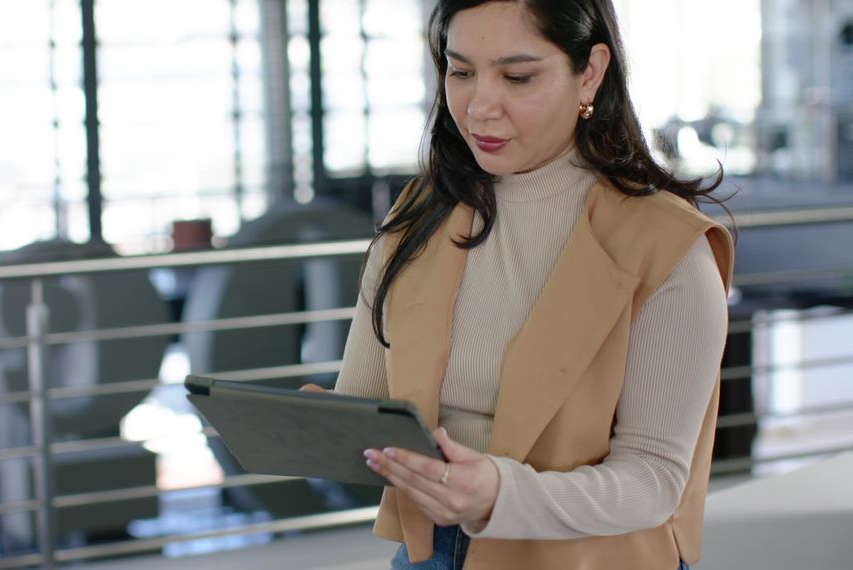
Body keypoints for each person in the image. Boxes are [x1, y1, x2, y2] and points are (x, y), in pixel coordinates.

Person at [303, 1, 734, 569]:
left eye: (517, 76)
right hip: (431, 550)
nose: (478, 106)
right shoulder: (420, 214)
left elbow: (654, 480)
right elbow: (367, 403)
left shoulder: (667, 245)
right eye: (460, 72)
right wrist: (308, 428)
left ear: (590, 71)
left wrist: (499, 495)